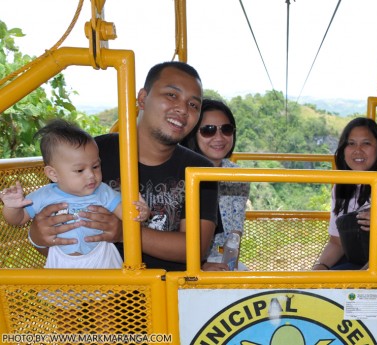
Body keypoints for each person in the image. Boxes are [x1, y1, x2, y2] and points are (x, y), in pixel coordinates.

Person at [27, 61, 219, 271]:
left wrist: (124, 232)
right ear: (143, 99)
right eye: (172, 95)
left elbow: (194, 248)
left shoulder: (200, 169)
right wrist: (37, 237)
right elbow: (56, 235)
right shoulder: (91, 155)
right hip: (102, 292)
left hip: (170, 291)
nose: (182, 109)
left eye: (193, 105)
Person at [0, 119, 150, 269]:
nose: (91, 175)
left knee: (115, 290)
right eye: (80, 170)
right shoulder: (44, 195)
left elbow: (127, 215)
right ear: (53, 174)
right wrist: (12, 207)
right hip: (62, 262)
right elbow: (18, 220)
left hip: (102, 257)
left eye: (96, 166)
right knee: (57, 291)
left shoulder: (103, 191)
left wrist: (139, 212)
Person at [181, 99, 250, 270]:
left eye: (226, 129)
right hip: (182, 262)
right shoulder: (180, 172)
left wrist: (228, 266)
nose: (219, 138)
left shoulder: (237, 176)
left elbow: (234, 235)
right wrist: (201, 266)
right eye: (208, 130)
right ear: (192, 134)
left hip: (217, 259)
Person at [312, 117, 377, 270]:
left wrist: (359, 280)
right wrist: (320, 267)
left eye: (366, 143)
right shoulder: (343, 184)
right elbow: (337, 242)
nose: (357, 150)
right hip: (357, 259)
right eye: (351, 144)